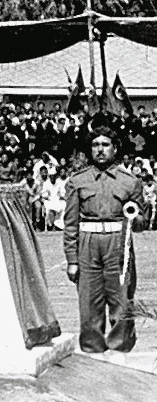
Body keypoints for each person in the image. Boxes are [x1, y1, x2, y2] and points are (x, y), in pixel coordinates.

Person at [64, 114, 145, 354]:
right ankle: (92, 350)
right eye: (95, 145)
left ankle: (120, 349)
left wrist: (133, 217)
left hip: (119, 244)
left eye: (105, 145)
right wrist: (72, 260)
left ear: (115, 148)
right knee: (89, 303)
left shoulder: (130, 182)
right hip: (87, 245)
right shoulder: (77, 181)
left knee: (121, 300)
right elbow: (70, 224)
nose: (100, 150)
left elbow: (140, 224)